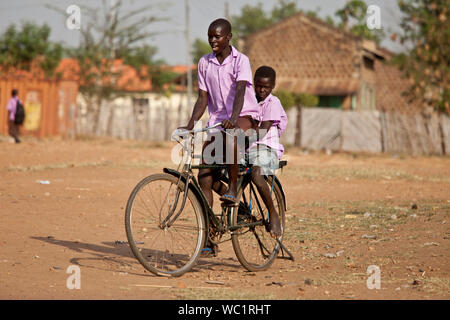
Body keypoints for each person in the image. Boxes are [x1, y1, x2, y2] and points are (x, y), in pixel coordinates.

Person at [180, 18, 260, 256]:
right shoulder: (204, 63)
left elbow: (240, 91)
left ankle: (233, 188)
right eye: (210, 36)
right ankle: (208, 238)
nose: (213, 40)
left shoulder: (241, 60)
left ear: (229, 37)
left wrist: (234, 118)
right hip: (217, 120)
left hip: (244, 114)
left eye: (217, 36)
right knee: (204, 174)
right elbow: (203, 98)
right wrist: (190, 124)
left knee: (232, 138)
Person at [247, 66, 288, 239]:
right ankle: (240, 208)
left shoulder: (273, 103)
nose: (262, 90)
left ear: (272, 87)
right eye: (259, 86)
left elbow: (262, 131)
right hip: (248, 147)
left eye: (266, 87)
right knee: (216, 172)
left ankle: (273, 214)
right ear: (253, 84)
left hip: (267, 148)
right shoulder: (248, 101)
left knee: (257, 174)